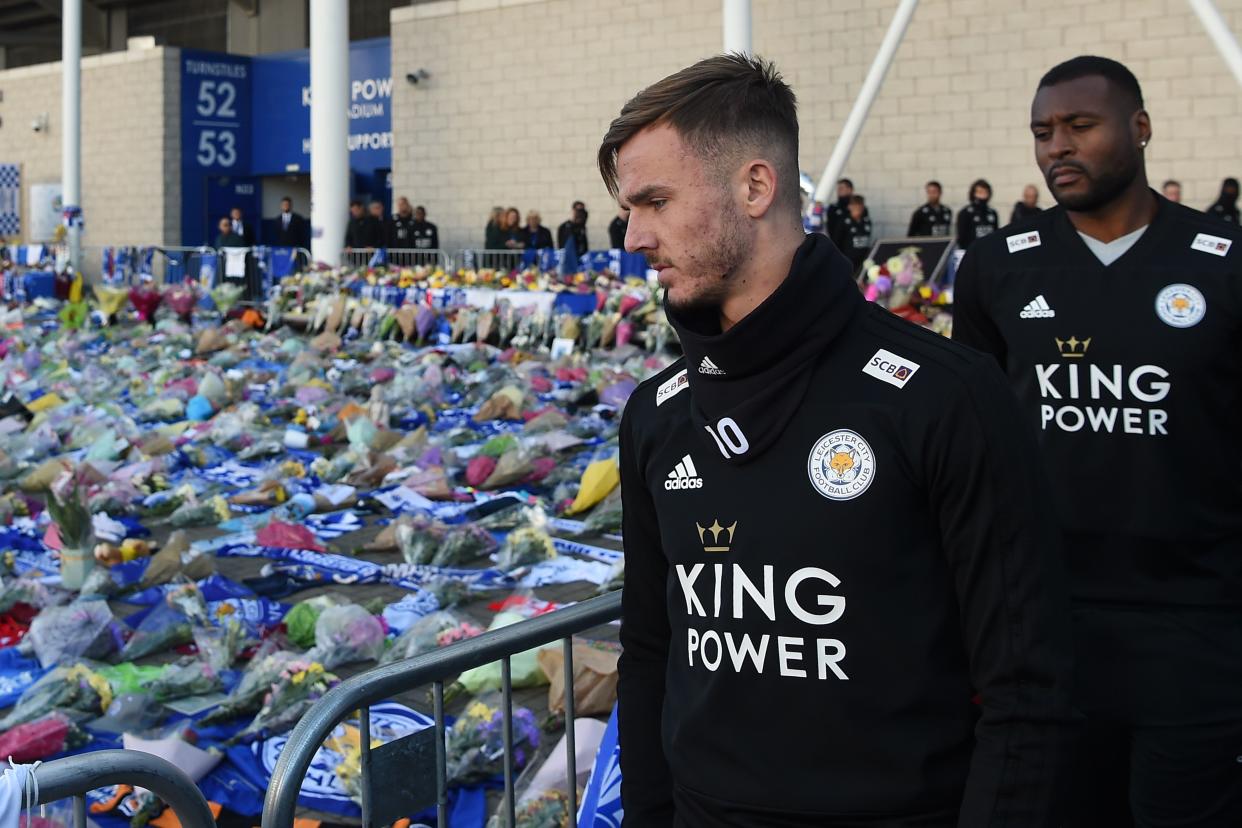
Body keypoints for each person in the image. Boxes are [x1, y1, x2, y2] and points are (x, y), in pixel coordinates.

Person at [598, 52, 1075, 827]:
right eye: (628, 208)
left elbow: (1028, 691)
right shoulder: (657, 414)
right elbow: (650, 653)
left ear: (756, 186)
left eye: (654, 201)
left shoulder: (943, 395)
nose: (633, 236)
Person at [953, 55, 1242, 827]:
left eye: (1080, 126)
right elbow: (975, 444)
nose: (1057, 147)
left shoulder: (1224, 264)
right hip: (1047, 630)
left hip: (1196, 628)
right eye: (1043, 132)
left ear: (1140, 129)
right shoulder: (995, 269)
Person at [831, 194, 873, 273]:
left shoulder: (867, 221)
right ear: (850, 206)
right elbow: (836, 241)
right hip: (848, 259)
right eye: (855, 205)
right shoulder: (843, 222)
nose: (858, 208)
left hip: (863, 259)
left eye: (860, 205)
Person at [956, 179, 999, 250]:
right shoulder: (965, 213)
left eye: (985, 192)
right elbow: (961, 238)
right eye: (979, 192)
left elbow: (996, 234)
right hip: (972, 251)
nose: (982, 195)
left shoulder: (992, 213)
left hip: (989, 250)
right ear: (973, 194)